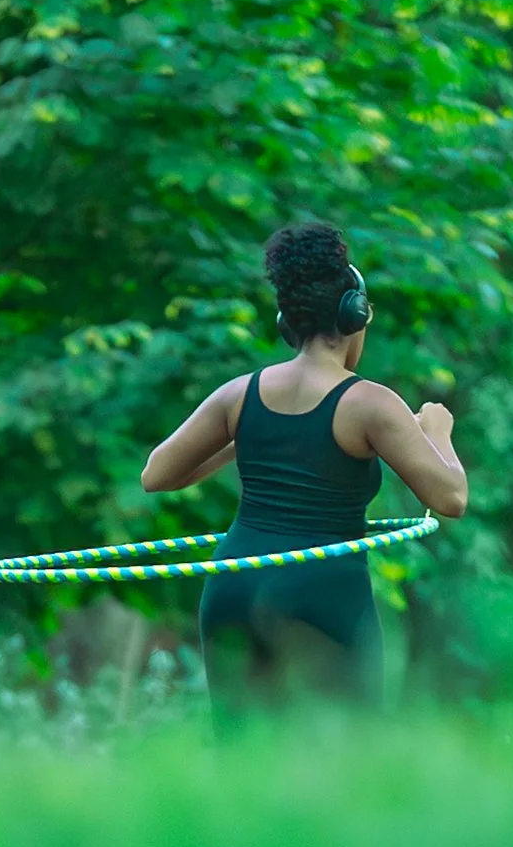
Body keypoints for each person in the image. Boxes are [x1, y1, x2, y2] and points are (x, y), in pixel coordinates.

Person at [140, 223, 468, 712]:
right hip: (320, 594)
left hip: (233, 585)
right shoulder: (371, 404)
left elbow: (156, 475)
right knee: (339, 761)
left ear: (286, 321)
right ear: (353, 315)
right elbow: (450, 499)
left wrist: (245, 436)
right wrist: (437, 430)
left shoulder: (239, 394)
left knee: (247, 758)